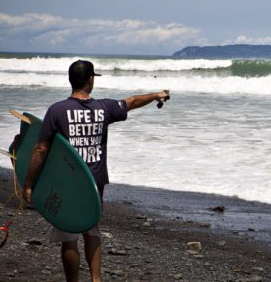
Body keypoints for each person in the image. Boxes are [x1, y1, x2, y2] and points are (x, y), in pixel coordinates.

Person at [22, 59, 170, 282]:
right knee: (92, 230)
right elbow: (131, 102)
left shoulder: (57, 110)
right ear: (90, 79)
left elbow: (41, 149)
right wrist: (156, 95)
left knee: (69, 235)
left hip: (68, 182)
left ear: (71, 80)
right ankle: (96, 279)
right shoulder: (104, 108)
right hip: (94, 182)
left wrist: (29, 183)